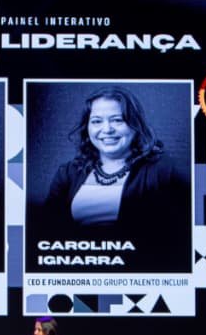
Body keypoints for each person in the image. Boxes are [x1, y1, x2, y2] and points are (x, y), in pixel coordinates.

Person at [40, 86, 185, 231]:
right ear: (87, 127)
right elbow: (47, 229)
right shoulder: (68, 173)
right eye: (97, 121)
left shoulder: (163, 170)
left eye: (117, 120)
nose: (107, 129)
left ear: (135, 125)